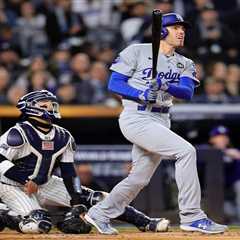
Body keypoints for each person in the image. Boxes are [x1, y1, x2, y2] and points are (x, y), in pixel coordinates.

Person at [85, 13, 228, 234]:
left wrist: (164, 85)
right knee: (186, 151)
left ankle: (100, 213)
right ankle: (192, 216)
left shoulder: (185, 62)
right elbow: (114, 83)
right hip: (137, 116)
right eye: (175, 28)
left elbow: (187, 92)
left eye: (183, 28)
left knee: (139, 178)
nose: (181, 31)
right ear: (161, 31)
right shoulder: (136, 51)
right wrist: (140, 93)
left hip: (162, 118)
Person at [0, 90, 169, 234]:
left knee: (96, 198)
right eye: (45, 104)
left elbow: (69, 172)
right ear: (30, 108)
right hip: (12, 185)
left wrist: (77, 202)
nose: (51, 107)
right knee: (38, 224)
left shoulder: (63, 135)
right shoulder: (18, 133)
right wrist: (24, 179)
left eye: (51, 104)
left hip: (45, 183)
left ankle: (144, 222)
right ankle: (3, 213)